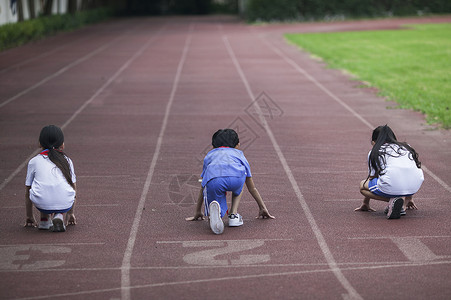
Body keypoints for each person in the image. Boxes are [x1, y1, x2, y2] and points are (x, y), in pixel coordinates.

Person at [186, 129, 274, 234]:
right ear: (238, 145)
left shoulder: (209, 155)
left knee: (209, 188)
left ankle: (214, 215)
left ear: (213, 146)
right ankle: (233, 214)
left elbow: (203, 185)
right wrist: (262, 208)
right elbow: (252, 188)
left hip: (215, 180)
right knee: (240, 185)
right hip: (236, 179)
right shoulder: (240, 155)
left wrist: (198, 211)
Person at [355, 125, 424, 219]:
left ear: (373, 142)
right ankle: (402, 203)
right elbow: (410, 169)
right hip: (415, 186)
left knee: (362, 185)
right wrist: (409, 197)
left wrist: (365, 202)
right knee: (404, 176)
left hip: (395, 184)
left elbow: (372, 177)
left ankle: (393, 201)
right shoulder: (406, 146)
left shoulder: (374, 151)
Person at [24, 125, 77, 232]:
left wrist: (29, 216)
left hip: (42, 203)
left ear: (39, 143)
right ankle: (59, 215)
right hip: (65, 202)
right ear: (62, 145)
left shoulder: (34, 161)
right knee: (60, 187)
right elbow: (73, 187)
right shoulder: (67, 160)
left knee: (41, 185)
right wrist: (71, 213)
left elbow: (27, 190)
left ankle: (44, 219)